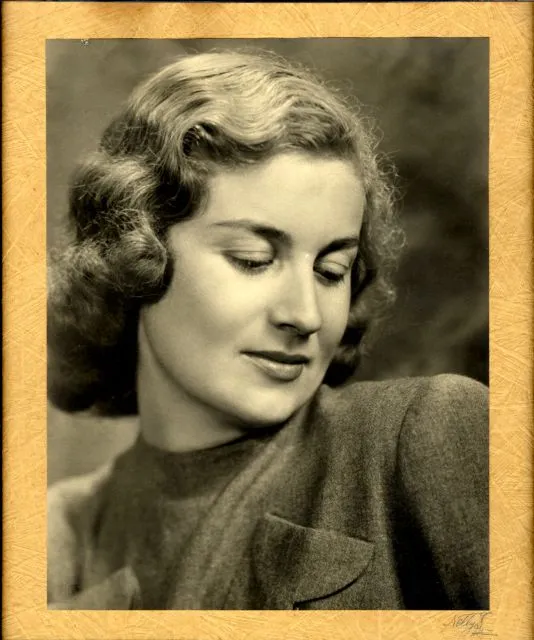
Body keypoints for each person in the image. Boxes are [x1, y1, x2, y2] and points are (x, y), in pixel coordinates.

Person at [47, 50, 488, 610]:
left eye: (332, 271)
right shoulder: (61, 530)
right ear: (134, 255)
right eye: (253, 260)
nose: (305, 315)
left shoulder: (423, 437)